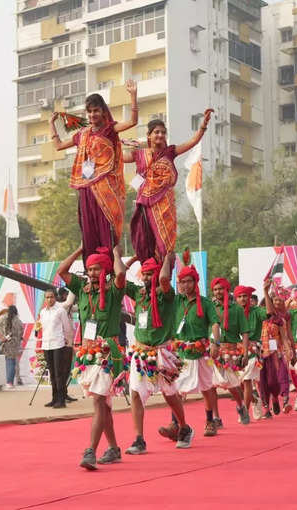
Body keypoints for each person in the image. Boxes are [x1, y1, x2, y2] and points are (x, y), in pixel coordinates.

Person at [58, 244, 129, 470]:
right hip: (88, 352)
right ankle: (114, 448)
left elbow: (121, 274)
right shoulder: (81, 288)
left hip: (108, 351)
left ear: (106, 271)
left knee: (99, 400)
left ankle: (90, 450)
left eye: (97, 269)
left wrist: (116, 254)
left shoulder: (114, 289)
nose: (92, 273)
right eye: (89, 269)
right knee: (104, 405)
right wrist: (80, 249)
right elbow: (62, 270)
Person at [49, 84, 138, 262]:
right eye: (89, 112)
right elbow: (58, 146)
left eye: (96, 110)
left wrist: (133, 96)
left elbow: (132, 122)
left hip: (106, 189)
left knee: (108, 229)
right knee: (88, 230)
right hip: (87, 188)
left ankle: (112, 268)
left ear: (103, 111)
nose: (92, 115)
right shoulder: (82, 134)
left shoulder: (110, 129)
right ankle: (92, 271)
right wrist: (51, 124)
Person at [124, 254, 193, 453]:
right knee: (135, 393)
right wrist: (132, 258)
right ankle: (139, 439)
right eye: (144, 274)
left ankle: (184, 427)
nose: (146, 278)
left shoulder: (167, 295)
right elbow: (117, 276)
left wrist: (166, 255)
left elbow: (163, 280)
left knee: (170, 395)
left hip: (163, 354)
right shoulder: (138, 293)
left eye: (150, 274)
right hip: (140, 353)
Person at [124, 110, 212, 262]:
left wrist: (203, 125)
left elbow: (192, 142)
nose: (160, 135)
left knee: (164, 243)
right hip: (144, 204)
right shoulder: (139, 154)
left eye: (163, 132)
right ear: (149, 135)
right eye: (156, 132)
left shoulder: (170, 152)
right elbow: (119, 158)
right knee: (145, 241)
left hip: (164, 204)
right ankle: (149, 271)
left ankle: (164, 274)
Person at [172, 261, 221, 437]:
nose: (185, 285)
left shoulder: (206, 303)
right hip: (180, 353)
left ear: (195, 282)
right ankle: (175, 424)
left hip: (202, 353)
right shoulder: (176, 300)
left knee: (206, 388)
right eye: (182, 282)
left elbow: (215, 323)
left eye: (188, 281)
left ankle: (210, 421)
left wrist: (215, 342)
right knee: (175, 388)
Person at [209, 278, 252, 425]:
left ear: (227, 290)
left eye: (220, 289)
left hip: (230, 350)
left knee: (232, 384)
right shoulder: (209, 307)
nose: (218, 292)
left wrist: (245, 353)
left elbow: (245, 332)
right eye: (215, 289)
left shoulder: (237, 309)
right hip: (212, 350)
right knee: (211, 385)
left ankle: (241, 406)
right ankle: (216, 417)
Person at [261, 279, 295, 416]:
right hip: (262, 352)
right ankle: (266, 408)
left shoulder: (283, 318)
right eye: (274, 301)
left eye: (280, 301)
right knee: (263, 381)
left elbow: (287, 335)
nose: (277, 303)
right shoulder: (261, 316)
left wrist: (289, 350)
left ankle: (284, 401)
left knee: (280, 377)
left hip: (277, 352)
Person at [234, 285, 267, 420]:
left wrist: (266, 291)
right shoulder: (231, 312)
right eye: (240, 296)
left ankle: (245, 412)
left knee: (247, 380)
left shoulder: (257, 311)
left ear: (249, 298)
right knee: (237, 383)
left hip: (252, 351)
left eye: (245, 296)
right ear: (236, 299)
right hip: (234, 352)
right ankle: (255, 399)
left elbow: (268, 314)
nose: (242, 299)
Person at [37, 289, 74, 409]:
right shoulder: (42, 312)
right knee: (52, 373)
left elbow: (67, 327)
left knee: (59, 373)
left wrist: (68, 342)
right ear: (44, 299)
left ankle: (61, 399)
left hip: (58, 344)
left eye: (51, 297)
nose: (49, 299)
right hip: (46, 344)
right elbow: (42, 327)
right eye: (47, 297)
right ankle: (54, 398)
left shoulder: (60, 310)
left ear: (55, 297)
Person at [0, 306, 23, 389]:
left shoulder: (2, 318)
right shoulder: (18, 321)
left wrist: (1, 337)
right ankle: (9, 382)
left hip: (1, 343)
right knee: (11, 362)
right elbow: (21, 334)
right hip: (13, 344)